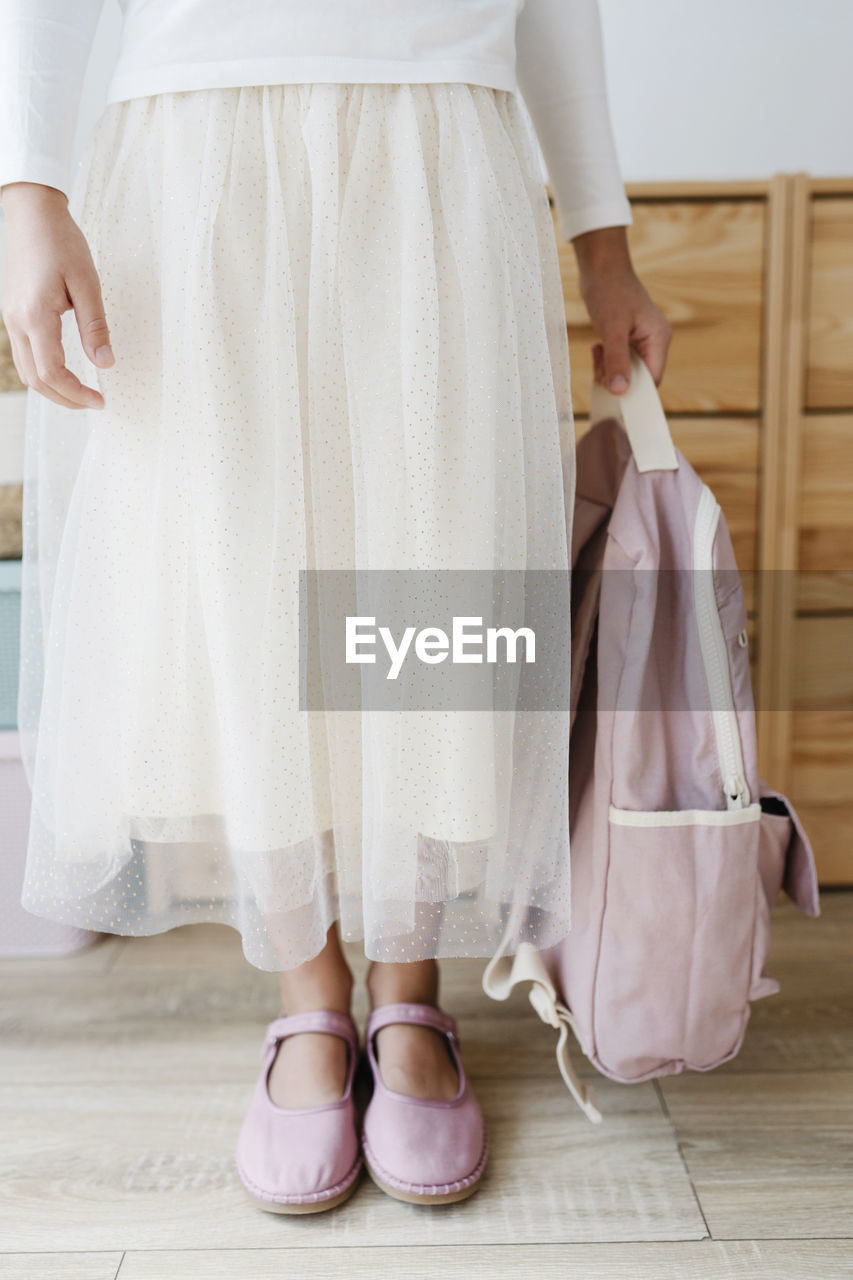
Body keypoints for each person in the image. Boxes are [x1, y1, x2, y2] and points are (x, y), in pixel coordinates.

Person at [0, 0, 672, 1212]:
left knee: (427, 571)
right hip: (196, 138)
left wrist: (603, 243)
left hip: (440, 131)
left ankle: (408, 986)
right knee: (240, 579)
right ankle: (308, 992)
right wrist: (26, 183)